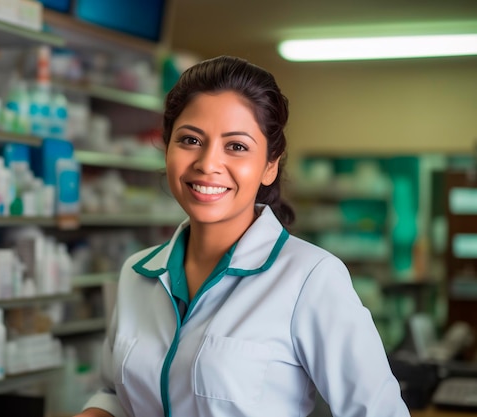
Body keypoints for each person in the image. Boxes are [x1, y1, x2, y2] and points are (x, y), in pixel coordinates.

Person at [74, 55, 410, 417]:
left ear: (270, 165)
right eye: (190, 139)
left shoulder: (310, 278)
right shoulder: (136, 273)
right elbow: (115, 393)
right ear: (167, 147)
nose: (207, 163)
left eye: (236, 146)